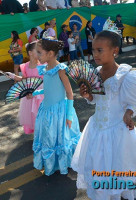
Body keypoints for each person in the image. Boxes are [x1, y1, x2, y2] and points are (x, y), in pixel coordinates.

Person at [71, 30, 136, 200]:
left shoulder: (125, 76)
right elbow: (95, 101)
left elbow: (132, 101)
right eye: (93, 50)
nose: (95, 54)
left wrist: (129, 114)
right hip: (96, 130)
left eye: (100, 50)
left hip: (117, 131)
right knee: (98, 168)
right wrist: (87, 96)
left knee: (118, 168)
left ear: (114, 51)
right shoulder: (95, 73)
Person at [30, 37, 81, 176]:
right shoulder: (45, 69)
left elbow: (70, 94)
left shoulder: (61, 70)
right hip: (47, 110)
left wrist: (69, 116)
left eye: (39, 52)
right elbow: (48, 89)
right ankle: (54, 163)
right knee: (50, 137)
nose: (37, 56)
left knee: (61, 138)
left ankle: (65, 162)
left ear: (50, 53)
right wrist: (34, 92)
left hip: (60, 111)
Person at [6, 42, 44, 134]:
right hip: (29, 95)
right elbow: (24, 79)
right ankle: (38, 136)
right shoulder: (26, 66)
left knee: (41, 115)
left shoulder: (43, 64)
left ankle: (44, 134)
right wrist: (12, 76)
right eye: (38, 51)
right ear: (30, 53)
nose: (41, 53)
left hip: (41, 94)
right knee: (32, 115)